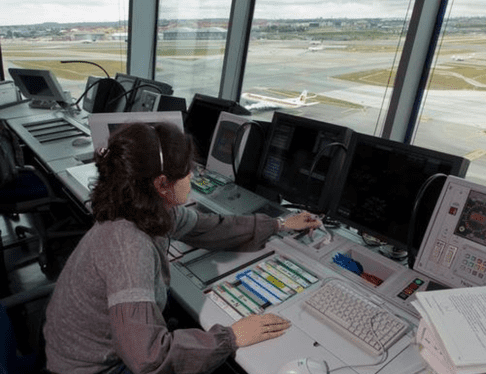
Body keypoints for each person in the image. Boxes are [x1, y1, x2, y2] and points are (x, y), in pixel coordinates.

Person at [43, 122, 322, 374]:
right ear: (162, 184)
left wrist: (279, 225)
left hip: (91, 350)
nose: (193, 175)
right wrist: (232, 336)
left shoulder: (145, 209)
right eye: (187, 170)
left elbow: (210, 227)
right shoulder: (128, 245)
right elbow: (148, 357)